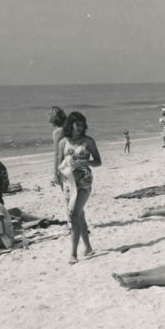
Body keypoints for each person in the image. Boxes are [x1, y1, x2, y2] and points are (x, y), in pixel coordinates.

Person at [57, 111, 102, 264]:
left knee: (73, 215)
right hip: (68, 183)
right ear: (71, 125)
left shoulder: (88, 141)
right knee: (79, 215)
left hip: (84, 182)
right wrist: (58, 181)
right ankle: (88, 247)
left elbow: (98, 161)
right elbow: (59, 164)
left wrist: (85, 162)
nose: (81, 128)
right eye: (78, 125)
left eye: (83, 125)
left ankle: (73, 254)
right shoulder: (63, 142)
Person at [49, 106, 67, 188]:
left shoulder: (57, 132)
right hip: (76, 163)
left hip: (65, 166)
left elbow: (57, 154)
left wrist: (55, 173)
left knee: (69, 197)